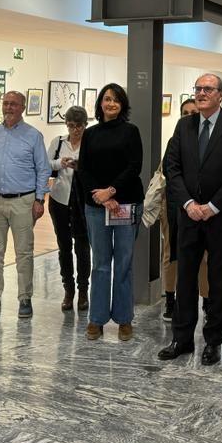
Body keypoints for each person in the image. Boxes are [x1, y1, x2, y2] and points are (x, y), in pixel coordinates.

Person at [158, 73, 222, 365]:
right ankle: (182, 339)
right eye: (198, 89)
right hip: (188, 216)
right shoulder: (184, 125)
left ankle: (213, 341)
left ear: (220, 95)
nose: (201, 93)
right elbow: (171, 167)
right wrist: (188, 203)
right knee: (185, 277)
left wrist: (211, 206)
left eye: (207, 89)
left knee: (219, 280)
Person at [0, 90, 51, 319]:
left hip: (23, 201)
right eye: (6, 103)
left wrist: (39, 199)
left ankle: (24, 298)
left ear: (23, 108)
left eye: (14, 104)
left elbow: (43, 169)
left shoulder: (33, 135)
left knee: (24, 253)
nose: (8, 108)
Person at [78, 84, 144, 341]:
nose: (111, 104)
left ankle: (124, 319)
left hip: (126, 204)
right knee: (101, 265)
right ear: (100, 104)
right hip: (97, 206)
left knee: (124, 264)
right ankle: (97, 319)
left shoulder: (131, 131)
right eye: (107, 99)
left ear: (122, 104)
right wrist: (102, 196)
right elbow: (84, 169)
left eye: (116, 100)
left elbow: (134, 166)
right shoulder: (91, 134)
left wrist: (112, 191)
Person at [160, 98, 209, 320]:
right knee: (171, 254)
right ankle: (170, 300)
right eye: (185, 112)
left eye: (193, 112)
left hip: (203, 208)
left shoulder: (208, 140)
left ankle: (207, 300)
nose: (189, 115)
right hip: (174, 205)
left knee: (203, 257)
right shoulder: (175, 141)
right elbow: (170, 171)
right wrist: (186, 201)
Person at [47, 105, 91, 312]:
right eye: (72, 126)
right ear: (67, 125)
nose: (76, 130)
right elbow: (45, 165)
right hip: (59, 200)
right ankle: (68, 289)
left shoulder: (91, 142)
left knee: (82, 246)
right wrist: (59, 163)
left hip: (83, 200)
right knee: (63, 246)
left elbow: (97, 168)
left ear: (85, 125)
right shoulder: (58, 143)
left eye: (80, 126)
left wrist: (79, 165)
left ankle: (83, 291)